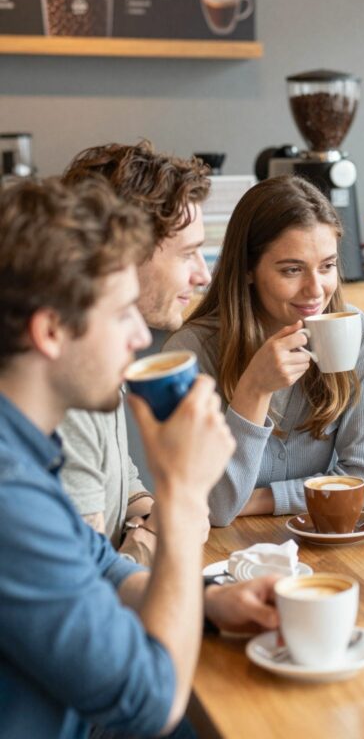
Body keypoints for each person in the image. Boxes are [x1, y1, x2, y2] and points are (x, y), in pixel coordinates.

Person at [0, 178, 278, 738]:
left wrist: (209, 599)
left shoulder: (25, 447)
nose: (137, 336)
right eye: (123, 312)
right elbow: (151, 703)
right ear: (51, 330)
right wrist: (179, 497)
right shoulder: (9, 492)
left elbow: (98, 568)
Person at [166, 176, 364, 526]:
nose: (316, 290)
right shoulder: (189, 354)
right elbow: (216, 507)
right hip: (221, 554)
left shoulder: (352, 330)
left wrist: (258, 499)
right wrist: (253, 391)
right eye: (292, 270)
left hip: (318, 542)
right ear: (248, 269)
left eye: (327, 266)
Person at [57, 140, 212, 565]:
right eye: (188, 253)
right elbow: (86, 595)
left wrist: (145, 512)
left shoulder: (100, 355)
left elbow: (115, 472)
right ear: (125, 255)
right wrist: (170, 516)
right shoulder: (68, 393)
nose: (203, 274)